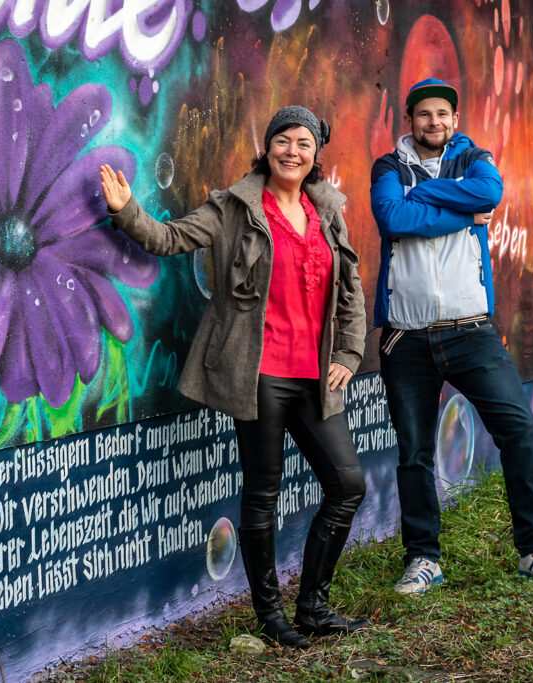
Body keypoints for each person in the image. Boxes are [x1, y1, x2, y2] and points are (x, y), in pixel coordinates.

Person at [100, 106, 368, 648]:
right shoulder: (233, 208)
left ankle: (313, 607)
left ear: (317, 154)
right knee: (262, 494)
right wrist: (128, 211)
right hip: (260, 375)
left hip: (317, 378)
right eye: (283, 141)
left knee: (347, 485)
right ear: (266, 147)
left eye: (304, 143)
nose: (293, 152)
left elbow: (351, 288)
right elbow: (169, 238)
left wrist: (350, 350)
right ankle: (272, 618)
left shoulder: (328, 210)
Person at [369, 78, 533, 595]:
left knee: (518, 431)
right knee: (414, 452)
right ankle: (423, 560)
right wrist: (462, 215)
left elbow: (490, 192)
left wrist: (429, 196)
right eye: (424, 115)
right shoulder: (388, 169)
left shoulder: (475, 158)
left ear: (453, 120)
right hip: (406, 338)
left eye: (442, 114)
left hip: (471, 330)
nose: (433, 123)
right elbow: (392, 216)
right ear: (409, 119)